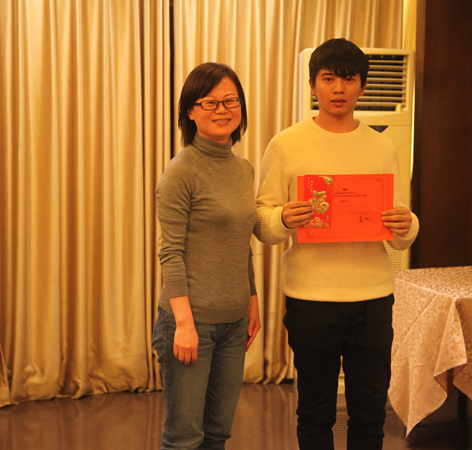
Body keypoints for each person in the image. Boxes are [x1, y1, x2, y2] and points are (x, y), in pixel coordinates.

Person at [254, 38, 419, 450]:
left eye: (349, 79)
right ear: (313, 85)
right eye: (328, 79)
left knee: (370, 412)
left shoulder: (382, 146)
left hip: (373, 298)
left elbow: (401, 224)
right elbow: (262, 221)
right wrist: (282, 218)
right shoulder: (286, 144)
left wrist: (408, 224)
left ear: (363, 86)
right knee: (315, 411)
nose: (339, 88)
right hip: (311, 299)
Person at [153, 62, 260, 450]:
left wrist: (251, 298)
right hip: (190, 322)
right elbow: (170, 252)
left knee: (217, 435)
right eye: (210, 102)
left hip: (234, 322)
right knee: (184, 438)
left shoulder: (243, 169)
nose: (222, 110)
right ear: (190, 112)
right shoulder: (180, 172)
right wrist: (184, 324)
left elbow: (240, 240)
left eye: (230, 101)